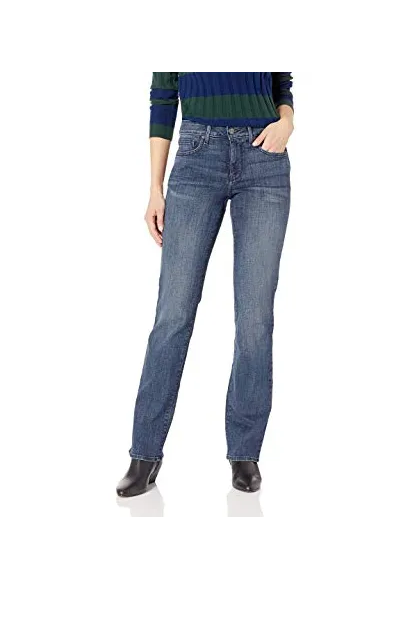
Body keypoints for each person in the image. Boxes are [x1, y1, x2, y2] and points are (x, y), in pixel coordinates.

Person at [117, 70, 294, 497]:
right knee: (172, 315)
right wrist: (155, 188)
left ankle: (245, 454)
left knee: (255, 319)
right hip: (198, 155)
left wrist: (287, 121)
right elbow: (163, 97)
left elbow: (281, 81)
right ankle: (144, 454)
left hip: (264, 157)